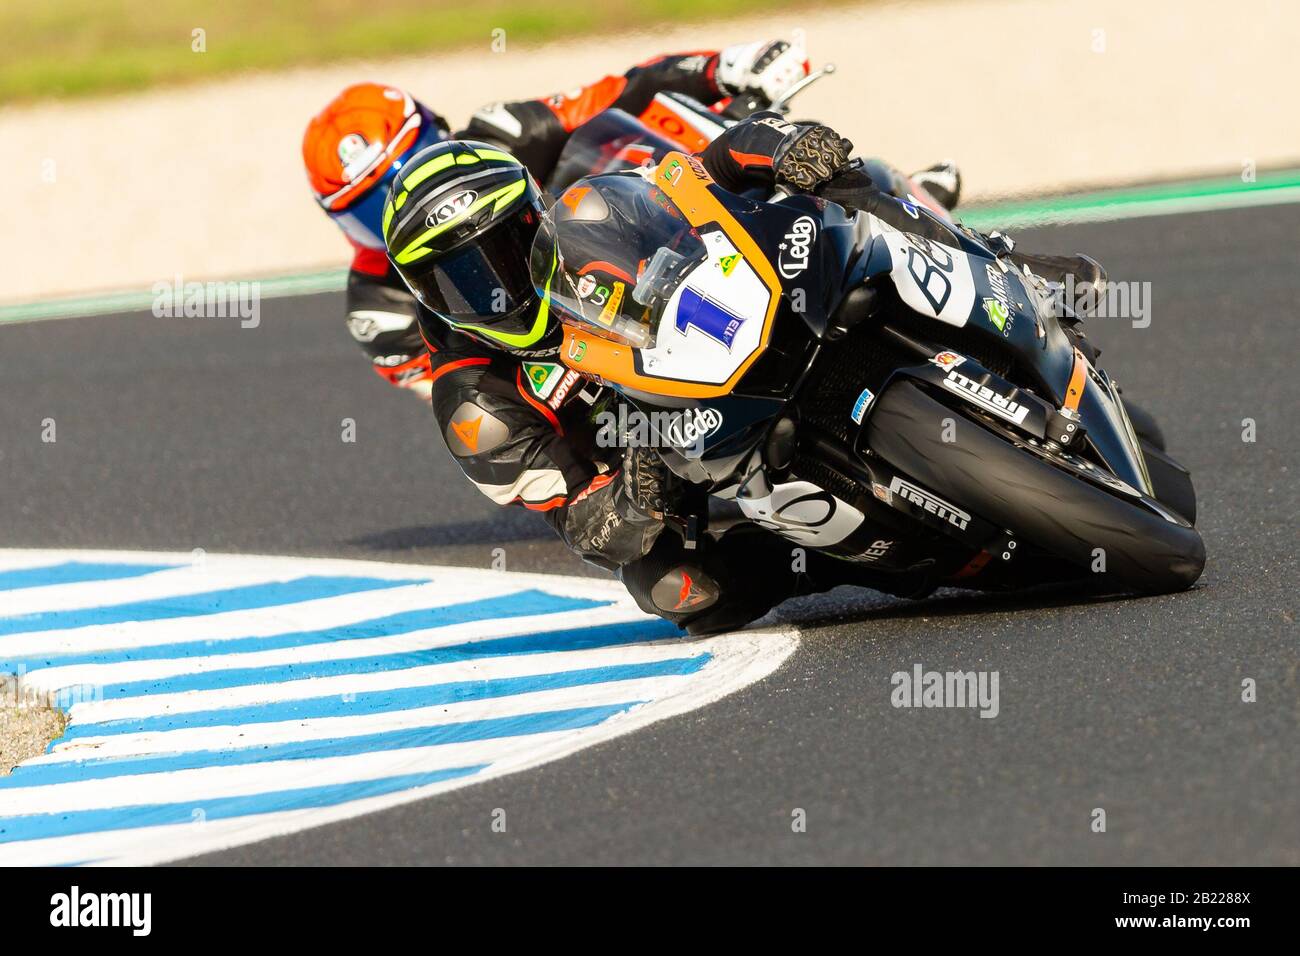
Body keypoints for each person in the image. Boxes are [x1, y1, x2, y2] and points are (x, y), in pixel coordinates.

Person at [381, 113, 1094, 633]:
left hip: (724, 327)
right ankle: (858, 558)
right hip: (670, 451)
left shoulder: (591, 214)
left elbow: (701, 173)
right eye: (461, 280)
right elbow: (581, 522)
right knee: (678, 591)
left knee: (857, 176)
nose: (499, 287)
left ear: (536, 214)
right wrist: (628, 500)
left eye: (509, 247)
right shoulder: (475, 405)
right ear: (422, 296)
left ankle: (1006, 270)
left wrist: (785, 146)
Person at [302, 41, 963, 398]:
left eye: (406, 166)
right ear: (339, 222)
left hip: (630, 240)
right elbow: (464, 394)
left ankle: (891, 208)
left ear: (438, 132)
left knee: (668, 132)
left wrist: (720, 69)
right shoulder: (380, 308)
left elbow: (621, 93)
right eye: (365, 206)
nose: (398, 202)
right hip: (565, 359)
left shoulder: (498, 135)